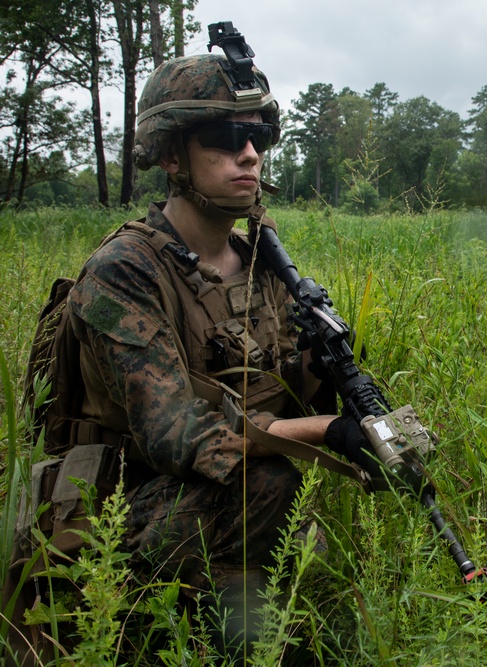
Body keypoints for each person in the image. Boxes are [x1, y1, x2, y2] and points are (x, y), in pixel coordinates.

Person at [4, 26, 376, 664]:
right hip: (112, 505)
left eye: (259, 137)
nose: (251, 155)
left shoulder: (262, 258)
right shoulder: (125, 270)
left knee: (275, 485)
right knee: (266, 481)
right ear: (173, 156)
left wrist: (357, 402)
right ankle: (181, 636)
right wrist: (327, 431)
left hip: (207, 501)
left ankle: (243, 621)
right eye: (228, 139)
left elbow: (288, 377)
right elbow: (176, 435)